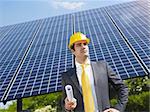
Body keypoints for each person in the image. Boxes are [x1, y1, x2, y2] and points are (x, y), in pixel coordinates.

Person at [61, 32, 128, 112]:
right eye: (79, 45)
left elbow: (122, 88)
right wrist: (67, 106)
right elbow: (64, 104)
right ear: (73, 50)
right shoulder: (67, 76)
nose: (83, 47)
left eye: (85, 44)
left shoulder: (103, 67)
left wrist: (118, 109)